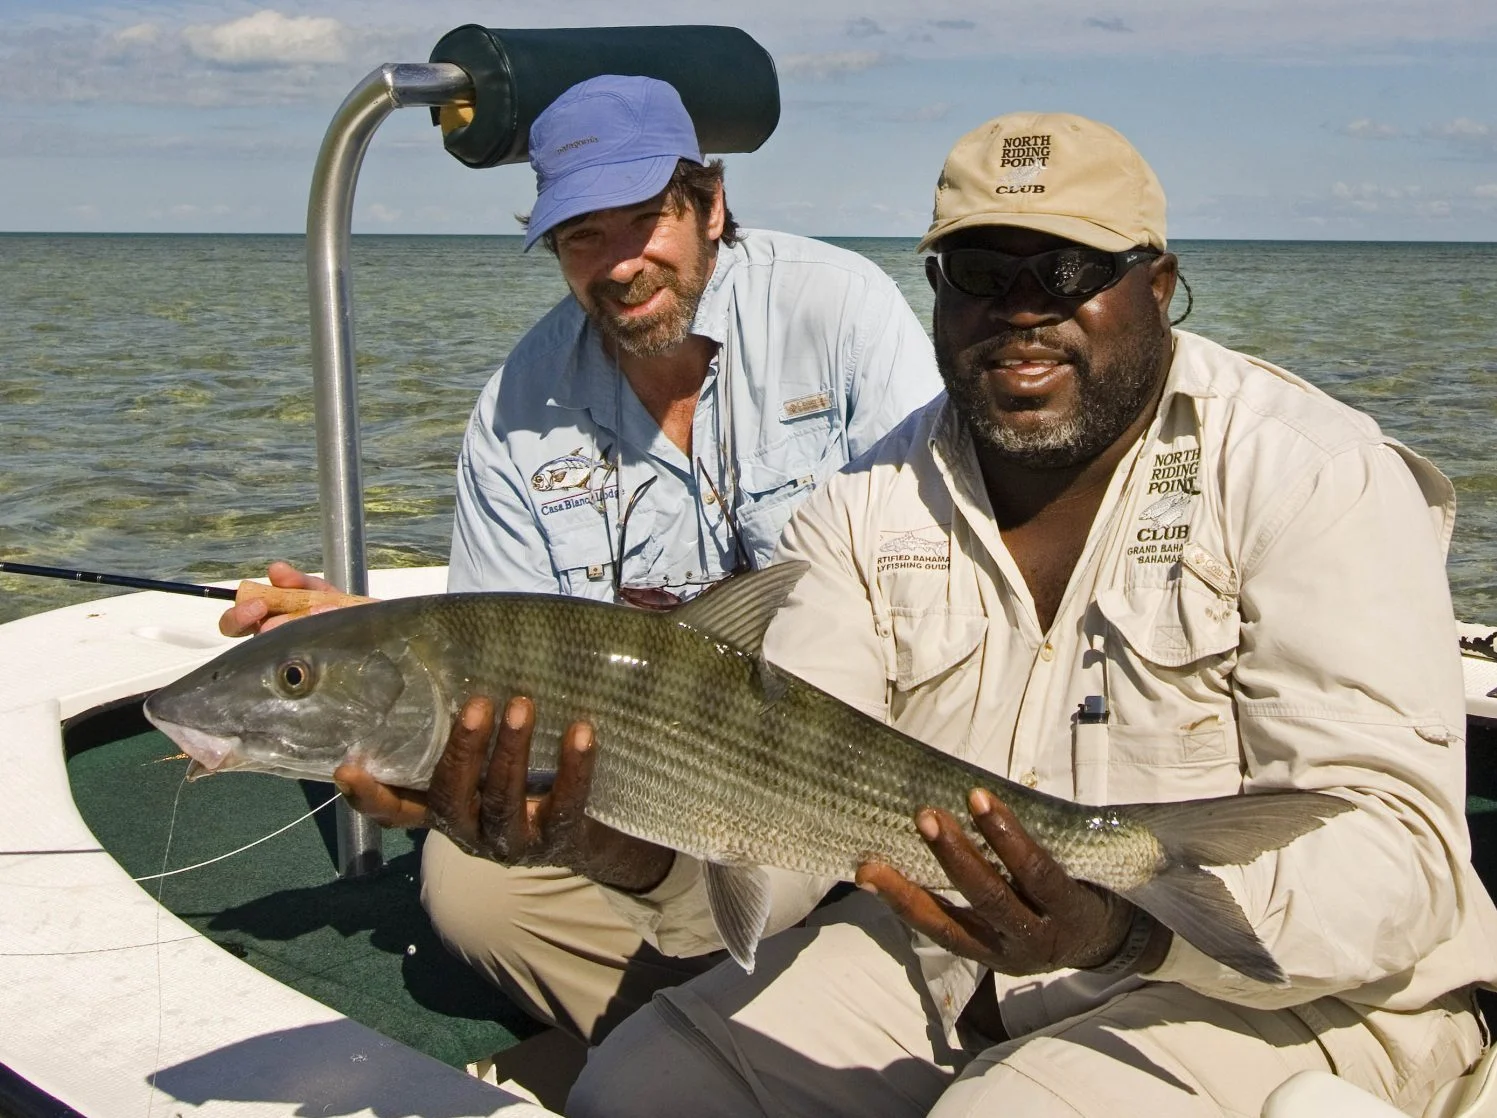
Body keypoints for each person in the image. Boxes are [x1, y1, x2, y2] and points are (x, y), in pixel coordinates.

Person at [403, 111, 1497, 1115]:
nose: (1022, 311)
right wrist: (626, 852)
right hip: (954, 955)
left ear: (1158, 286)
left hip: (1295, 990)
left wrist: (1122, 928)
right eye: (980, 273)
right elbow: (775, 822)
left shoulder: (1312, 472)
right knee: (641, 1088)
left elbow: (1398, 862)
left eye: (1067, 271)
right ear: (935, 291)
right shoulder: (862, 506)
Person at [222, 74, 940, 1045]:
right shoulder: (515, 409)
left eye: (646, 220)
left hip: (859, 740)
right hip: (652, 784)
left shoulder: (840, 309)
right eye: (581, 237)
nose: (621, 264)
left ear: (711, 205)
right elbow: (499, 651)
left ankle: (738, 1033)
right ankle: (751, 1037)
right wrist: (371, 646)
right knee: (473, 889)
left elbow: (938, 564)